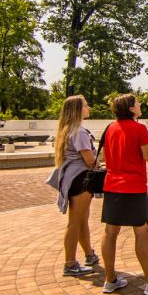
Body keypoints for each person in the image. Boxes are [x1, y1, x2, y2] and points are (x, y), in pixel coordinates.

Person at [99, 94, 148, 295]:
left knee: (110, 232)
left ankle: (110, 279)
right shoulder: (139, 129)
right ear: (131, 109)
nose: (140, 105)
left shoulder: (110, 129)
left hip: (111, 186)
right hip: (133, 187)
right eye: (137, 103)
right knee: (142, 233)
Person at [44, 95, 100, 277]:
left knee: (81, 219)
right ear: (77, 110)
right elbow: (90, 160)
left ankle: (89, 254)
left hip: (72, 178)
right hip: (81, 179)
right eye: (85, 105)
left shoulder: (67, 130)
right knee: (76, 221)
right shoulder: (80, 132)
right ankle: (69, 263)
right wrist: (100, 163)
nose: (88, 108)